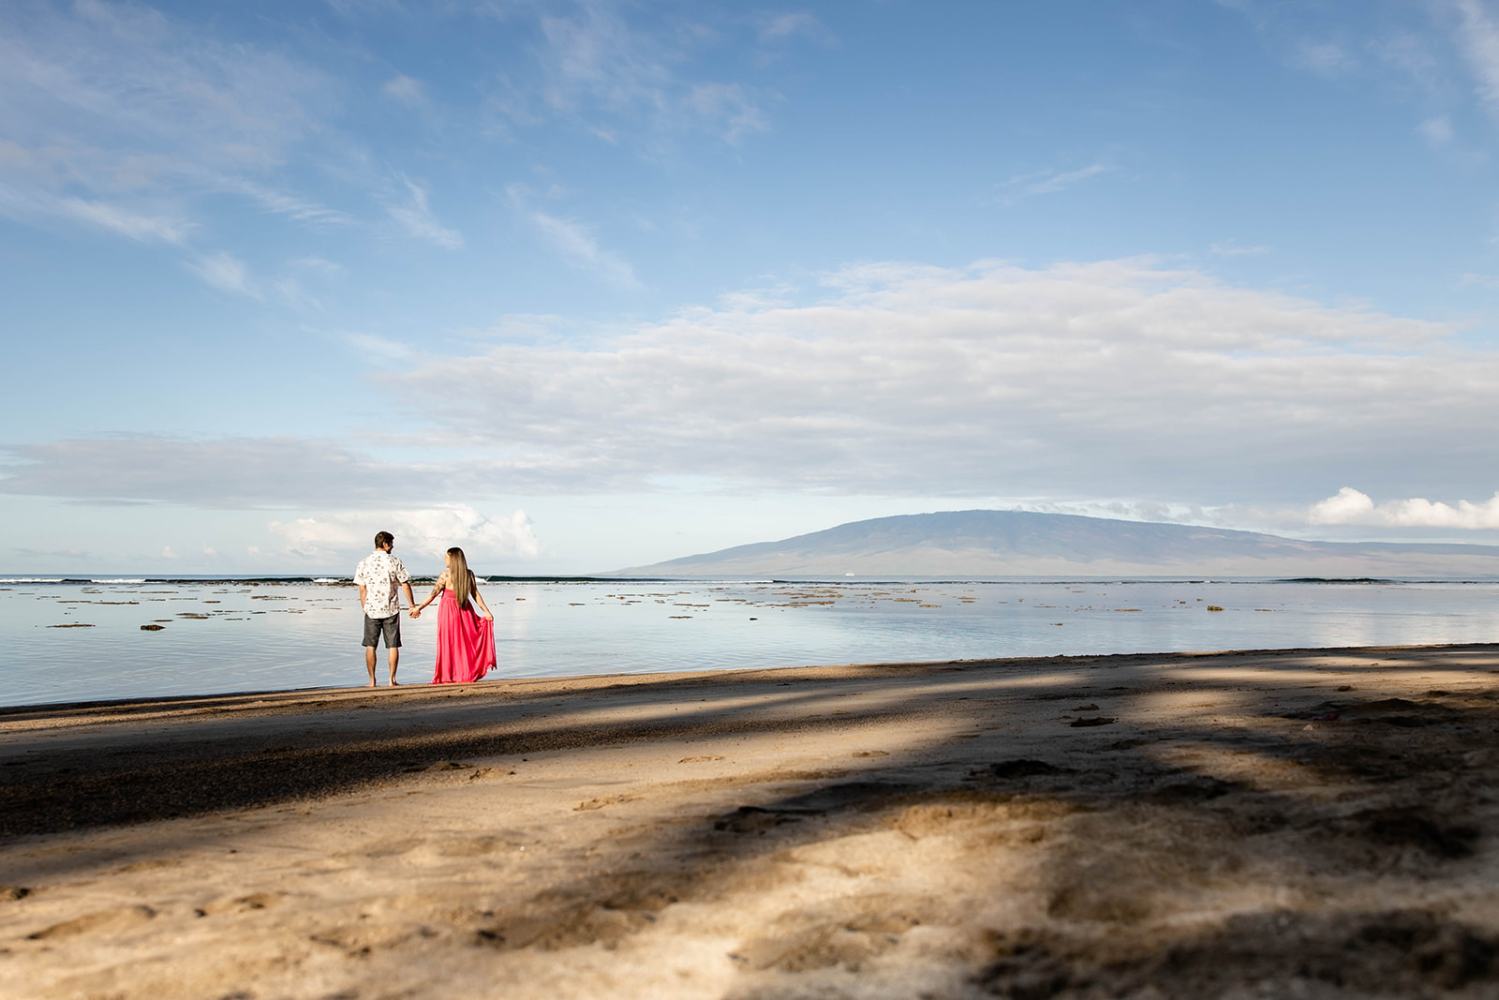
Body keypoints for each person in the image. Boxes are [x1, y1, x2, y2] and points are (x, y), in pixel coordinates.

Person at [410, 546, 495, 684]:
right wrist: (486, 611)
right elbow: (475, 595)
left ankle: (448, 675)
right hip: (465, 610)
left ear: (453, 559)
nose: (444, 559)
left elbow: (433, 594)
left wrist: (418, 608)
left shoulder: (446, 575)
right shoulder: (468, 574)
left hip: (448, 611)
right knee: (464, 643)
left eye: (447, 556)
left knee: (448, 642)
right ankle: (465, 672)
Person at [353, 531, 415, 688]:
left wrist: (364, 606)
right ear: (385, 544)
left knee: (370, 645)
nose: (393, 547)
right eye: (391, 544)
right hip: (391, 608)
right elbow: (405, 584)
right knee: (393, 645)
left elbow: (362, 588)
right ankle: (391, 680)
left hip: (371, 609)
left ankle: (372, 681)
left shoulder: (364, 562)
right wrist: (412, 605)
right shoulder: (394, 561)